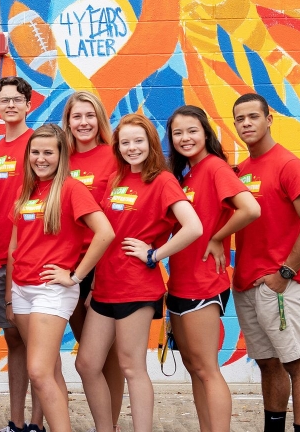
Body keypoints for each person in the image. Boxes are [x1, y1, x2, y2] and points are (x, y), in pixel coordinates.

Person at [76, 114, 202, 432]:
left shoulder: (162, 180)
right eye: (125, 142)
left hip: (136, 287)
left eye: (138, 141)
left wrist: (154, 254)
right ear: (117, 146)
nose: (132, 148)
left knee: (131, 367)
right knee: (87, 363)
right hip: (105, 285)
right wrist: (93, 285)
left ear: (151, 144)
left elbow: (194, 227)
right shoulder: (117, 180)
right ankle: (107, 428)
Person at [7, 124, 114, 432]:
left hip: (50, 291)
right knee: (49, 370)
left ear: (61, 155)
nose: (41, 159)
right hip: (23, 289)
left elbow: (105, 232)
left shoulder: (71, 188)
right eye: (35, 152)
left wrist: (76, 276)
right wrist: (11, 295)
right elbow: (15, 245)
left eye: (48, 153)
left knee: (38, 372)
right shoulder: (26, 190)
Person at [231, 93, 300, 432]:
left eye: (253, 117)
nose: (246, 124)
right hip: (245, 284)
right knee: (268, 363)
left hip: (277, 285)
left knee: (296, 362)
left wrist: (285, 273)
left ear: (269, 119)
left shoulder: (289, 164)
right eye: (240, 119)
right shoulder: (240, 170)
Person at [165, 105, 260, 432]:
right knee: (193, 366)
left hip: (203, 284)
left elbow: (250, 208)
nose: (185, 138)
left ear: (205, 132)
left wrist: (219, 237)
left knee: (207, 368)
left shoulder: (215, 168)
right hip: (179, 282)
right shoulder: (188, 174)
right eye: (178, 133)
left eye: (192, 130)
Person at [0, 76, 45, 432]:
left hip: (34, 259)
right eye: (3, 100)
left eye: (16, 99)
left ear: (28, 104)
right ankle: (16, 420)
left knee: (38, 346)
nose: (9, 105)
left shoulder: (38, 145)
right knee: (14, 341)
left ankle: (37, 421)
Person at [62, 91, 125, 432]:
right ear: (68, 122)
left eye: (89, 115)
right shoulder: (61, 159)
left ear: (98, 118)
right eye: (76, 116)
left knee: (107, 357)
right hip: (69, 269)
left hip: (103, 267)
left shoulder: (113, 158)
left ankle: (109, 425)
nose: (83, 122)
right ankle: (104, 422)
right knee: (88, 356)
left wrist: (100, 274)